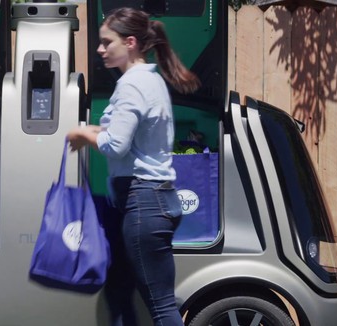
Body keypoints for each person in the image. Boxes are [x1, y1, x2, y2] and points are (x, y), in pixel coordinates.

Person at [66, 7, 200, 326]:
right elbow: (135, 136)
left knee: (161, 306)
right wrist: (97, 132)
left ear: (129, 42)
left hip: (143, 203)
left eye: (105, 42)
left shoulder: (131, 85)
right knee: (123, 290)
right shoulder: (151, 79)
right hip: (155, 200)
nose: (100, 49)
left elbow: (117, 145)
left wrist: (84, 133)